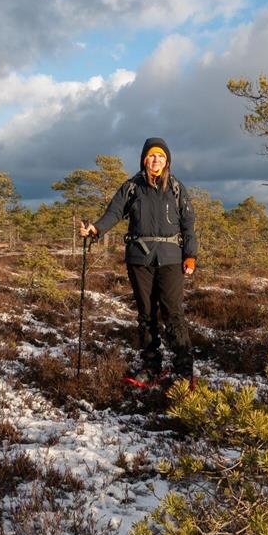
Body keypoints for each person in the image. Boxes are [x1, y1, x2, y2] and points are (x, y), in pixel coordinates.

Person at [79, 137, 197, 387]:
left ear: (167, 161)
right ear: (144, 159)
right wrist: (95, 229)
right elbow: (114, 213)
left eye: (161, 157)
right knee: (146, 315)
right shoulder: (131, 187)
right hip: (139, 258)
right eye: (152, 156)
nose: (156, 160)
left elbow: (188, 225)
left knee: (173, 314)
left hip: (171, 259)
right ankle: (151, 365)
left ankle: (184, 370)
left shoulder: (176, 188)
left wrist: (190, 255)